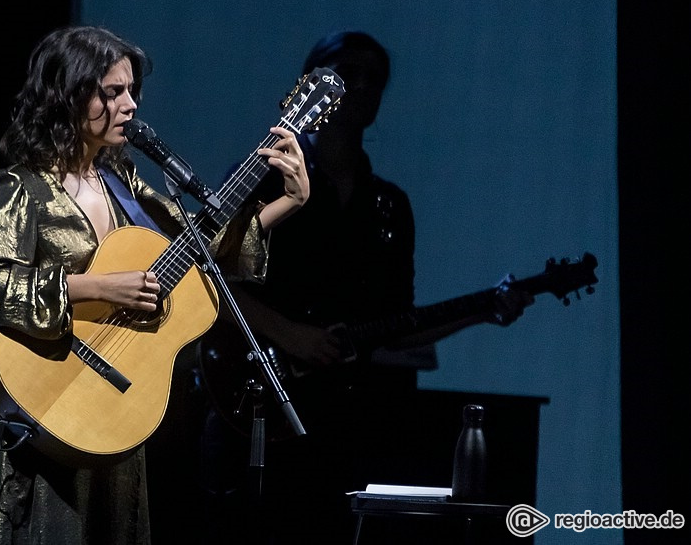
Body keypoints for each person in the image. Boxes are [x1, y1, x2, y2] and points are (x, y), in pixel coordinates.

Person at [0, 25, 309, 545]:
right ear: (69, 95)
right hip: (51, 406)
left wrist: (285, 205)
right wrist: (100, 287)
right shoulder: (21, 187)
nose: (130, 105)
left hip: (117, 407)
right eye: (113, 92)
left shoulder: (123, 183)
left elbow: (200, 247)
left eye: (132, 91)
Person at [196, 31, 535, 544]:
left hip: (345, 422)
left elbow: (397, 324)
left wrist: (487, 309)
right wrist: (288, 334)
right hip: (255, 403)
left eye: (374, 80)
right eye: (344, 74)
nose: (360, 88)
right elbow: (203, 274)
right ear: (306, 86)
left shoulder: (388, 205)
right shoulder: (262, 180)